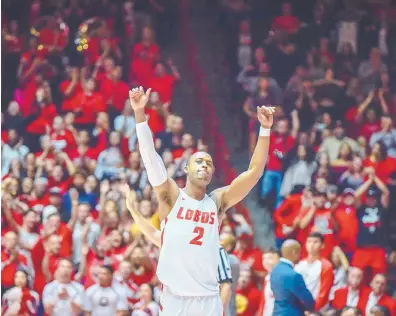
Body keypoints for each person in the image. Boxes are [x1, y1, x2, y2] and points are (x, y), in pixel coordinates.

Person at [128, 87, 274, 316]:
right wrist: (139, 114)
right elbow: (149, 156)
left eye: (208, 163)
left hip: (208, 299)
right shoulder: (171, 196)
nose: (205, 165)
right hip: (176, 298)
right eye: (199, 162)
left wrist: (265, 129)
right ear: (187, 168)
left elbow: (254, 173)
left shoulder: (217, 202)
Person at [124, 187, 236, 314]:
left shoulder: (215, 247)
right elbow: (152, 233)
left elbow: (226, 286)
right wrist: (133, 211)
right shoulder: (178, 242)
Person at [270, 239, 315, 316]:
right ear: (294, 252)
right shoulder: (294, 275)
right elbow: (308, 300)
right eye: (299, 252)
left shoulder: (274, 271)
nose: (300, 255)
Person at [295, 232, 334, 312]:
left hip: (317, 309)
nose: (311, 245)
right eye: (309, 242)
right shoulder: (299, 265)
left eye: (315, 242)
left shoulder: (326, 266)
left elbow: (324, 292)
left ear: (322, 245)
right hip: (299, 308)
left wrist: (313, 310)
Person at [257, 248, 281, 316]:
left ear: (279, 259)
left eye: (270, 258)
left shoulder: (284, 278)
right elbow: (263, 301)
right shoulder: (267, 278)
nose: (266, 261)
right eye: (264, 258)